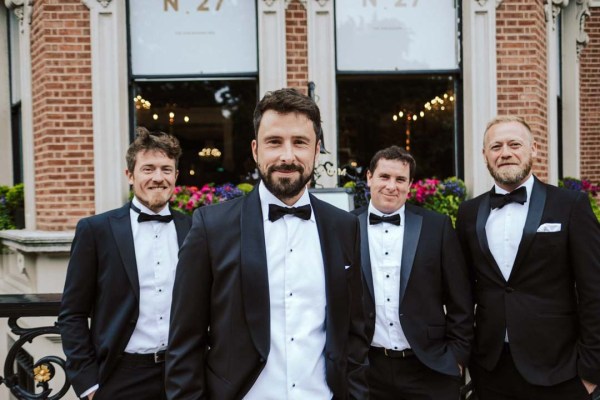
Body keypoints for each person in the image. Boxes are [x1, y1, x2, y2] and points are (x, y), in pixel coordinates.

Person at [165, 88, 369, 400]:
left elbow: (354, 332)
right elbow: (184, 343)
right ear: (256, 150)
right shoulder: (211, 227)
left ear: (316, 152)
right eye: (275, 142)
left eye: (300, 142)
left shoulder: (344, 227)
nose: (287, 155)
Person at [456, 116, 600, 400]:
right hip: (491, 370)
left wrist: (591, 372)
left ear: (534, 149)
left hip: (561, 371)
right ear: (485, 155)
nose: (505, 152)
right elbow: (462, 292)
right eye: (495, 146)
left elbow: (594, 290)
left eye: (514, 144)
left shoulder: (571, 205)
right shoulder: (468, 213)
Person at [58, 128, 192, 400]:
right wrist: (88, 384)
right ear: (130, 175)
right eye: (148, 169)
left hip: (184, 373)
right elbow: (72, 313)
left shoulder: (194, 228)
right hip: (121, 376)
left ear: (176, 176)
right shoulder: (96, 231)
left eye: (166, 169)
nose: (158, 178)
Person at [352, 145, 473, 400]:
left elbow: (460, 300)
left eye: (400, 179)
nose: (391, 186)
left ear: (410, 185)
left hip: (430, 368)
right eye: (384, 177)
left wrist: (456, 359)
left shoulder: (436, 227)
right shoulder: (345, 227)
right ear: (369, 178)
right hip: (367, 370)